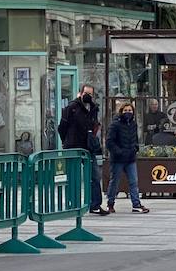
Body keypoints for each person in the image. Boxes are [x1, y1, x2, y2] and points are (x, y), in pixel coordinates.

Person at [58, 83, 104, 214]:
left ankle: (95, 205)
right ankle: (73, 204)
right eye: (86, 94)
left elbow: (94, 125)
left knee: (95, 176)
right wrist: (65, 141)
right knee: (73, 176)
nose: (88, 97)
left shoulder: (94, 108)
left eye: (90, 94)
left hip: (89, 147)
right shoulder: (72, 107)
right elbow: (62, 127)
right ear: (80, 93)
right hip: (73, 146)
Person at [105, 101, 149, 214]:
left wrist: (135, 148)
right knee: (115, 181)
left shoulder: (133, 124)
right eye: (125, 110)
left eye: (130, 110)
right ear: (121, 112)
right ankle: (110, 203)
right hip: (118, 159)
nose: (128, 112)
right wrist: (118, 152)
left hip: (130, 158)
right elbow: (109, 142)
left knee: (134, 181)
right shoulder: (115, 124)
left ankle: (136, 204)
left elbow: (135, 138)